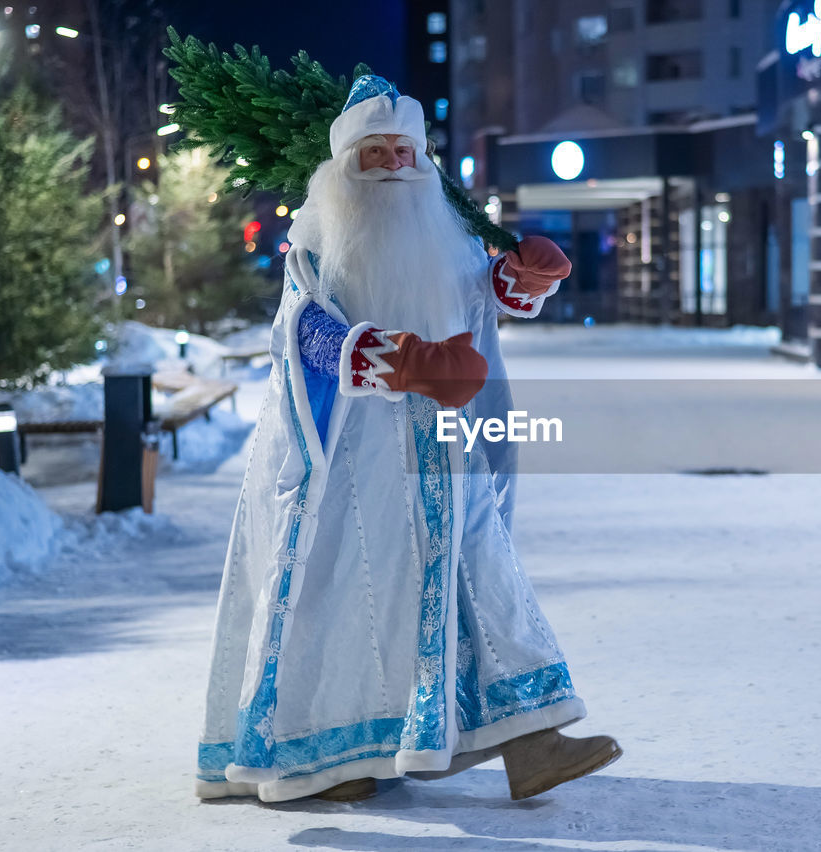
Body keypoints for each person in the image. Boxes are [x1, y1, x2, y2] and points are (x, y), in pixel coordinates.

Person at [193, 76, 620, 804]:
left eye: (404, 150)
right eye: (373, 152)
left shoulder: (445, 236)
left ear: (425, 162)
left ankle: (533, 745)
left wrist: (522, 277)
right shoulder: (319, 247)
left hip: (447, 453)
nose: (392, 163)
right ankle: (326, 758)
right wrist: (409, 363)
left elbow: (478, 293)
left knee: (486, 578)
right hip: (350, 471)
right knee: (353, 604)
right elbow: (306, 335)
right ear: (341, 167)